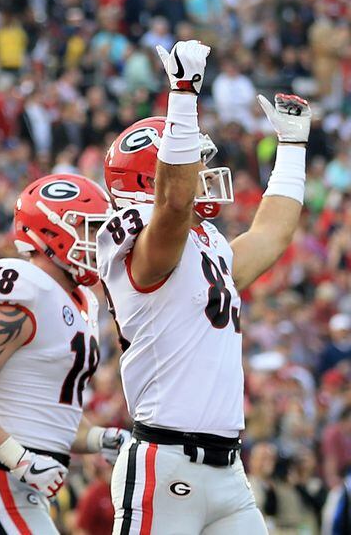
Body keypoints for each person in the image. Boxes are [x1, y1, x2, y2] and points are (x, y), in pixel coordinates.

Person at [98, 40, 312, 534]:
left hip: (226, 470)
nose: (204, 172)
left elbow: (271, 235)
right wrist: (183, 94)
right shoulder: (146, 247)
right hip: (165, 461)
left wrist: (293, 150)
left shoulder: (206, 242)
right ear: (151, 180)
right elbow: (172, 206)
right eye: (193, 160)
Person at [0, 173, 130, 534]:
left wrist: (98, 438)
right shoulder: (23, 286)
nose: (97, 241)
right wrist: (19, 460)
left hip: (13, 483)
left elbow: (45, 419)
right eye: (87, 228)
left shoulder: (81, 302)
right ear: (51, 230)